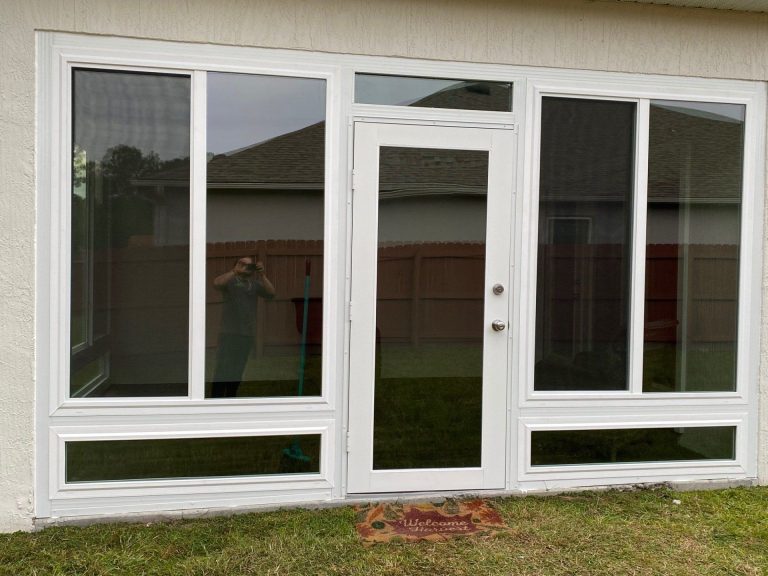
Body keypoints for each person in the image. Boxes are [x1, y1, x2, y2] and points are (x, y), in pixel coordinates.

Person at [210, 256, 275, 398]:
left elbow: (271, 293)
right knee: (223, 367)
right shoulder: (231, 281)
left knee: (238, 369)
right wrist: (235, 271)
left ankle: (231, 396)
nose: (246, 267)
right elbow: (216, 283)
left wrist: (262, 274)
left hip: (246, 334)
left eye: (250, 265)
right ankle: (216, 398)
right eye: (243, 264)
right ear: (236, 266)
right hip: (228, 332)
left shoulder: (255, 284)